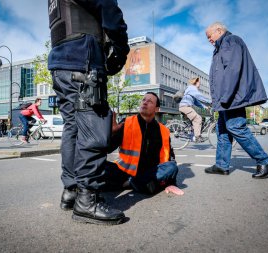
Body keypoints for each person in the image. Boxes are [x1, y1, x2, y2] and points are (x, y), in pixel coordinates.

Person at [47, 0, 130, 225]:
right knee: (94, 125)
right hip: (83, 60)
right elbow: (107, 7)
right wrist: (121, 50)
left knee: (72, 127)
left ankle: (71, 191)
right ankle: (87, 200)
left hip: (61, 64)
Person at [204, 22, 268, 179]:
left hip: (231, 97)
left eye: (209, 36)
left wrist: (225, 96)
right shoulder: (221, 46)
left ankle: (264, 160)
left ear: (219, 30)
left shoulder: (230, 41)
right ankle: (222, 165)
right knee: (222, 130)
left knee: (236, 127)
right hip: (226, 98)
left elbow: (232, 70)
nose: (208, 39)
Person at [103, 92, 184, 196]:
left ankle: (131, 183)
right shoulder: (127, 122)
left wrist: (170, 182)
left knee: (171, 167)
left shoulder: (163, 130)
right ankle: (137, 184)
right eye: (143, 100)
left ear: (156, 109)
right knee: (97, 164)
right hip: (123, 171)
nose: (145, 103)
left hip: (149, 173)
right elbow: (108, 149)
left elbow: (170, 157)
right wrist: (111, 134)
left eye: (149, 101)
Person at [178, 77, 212, 143]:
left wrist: (205, 107)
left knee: (194, 120)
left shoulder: (190, 89)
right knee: (198, 118)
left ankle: (193, 135)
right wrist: (211, 101)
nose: (200, 84)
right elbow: (200, 97)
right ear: (195, 82)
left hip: (184, 107)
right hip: (185, 107)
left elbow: (197, 102)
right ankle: (197, 137)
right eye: (199, 82)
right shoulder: (192, 88)